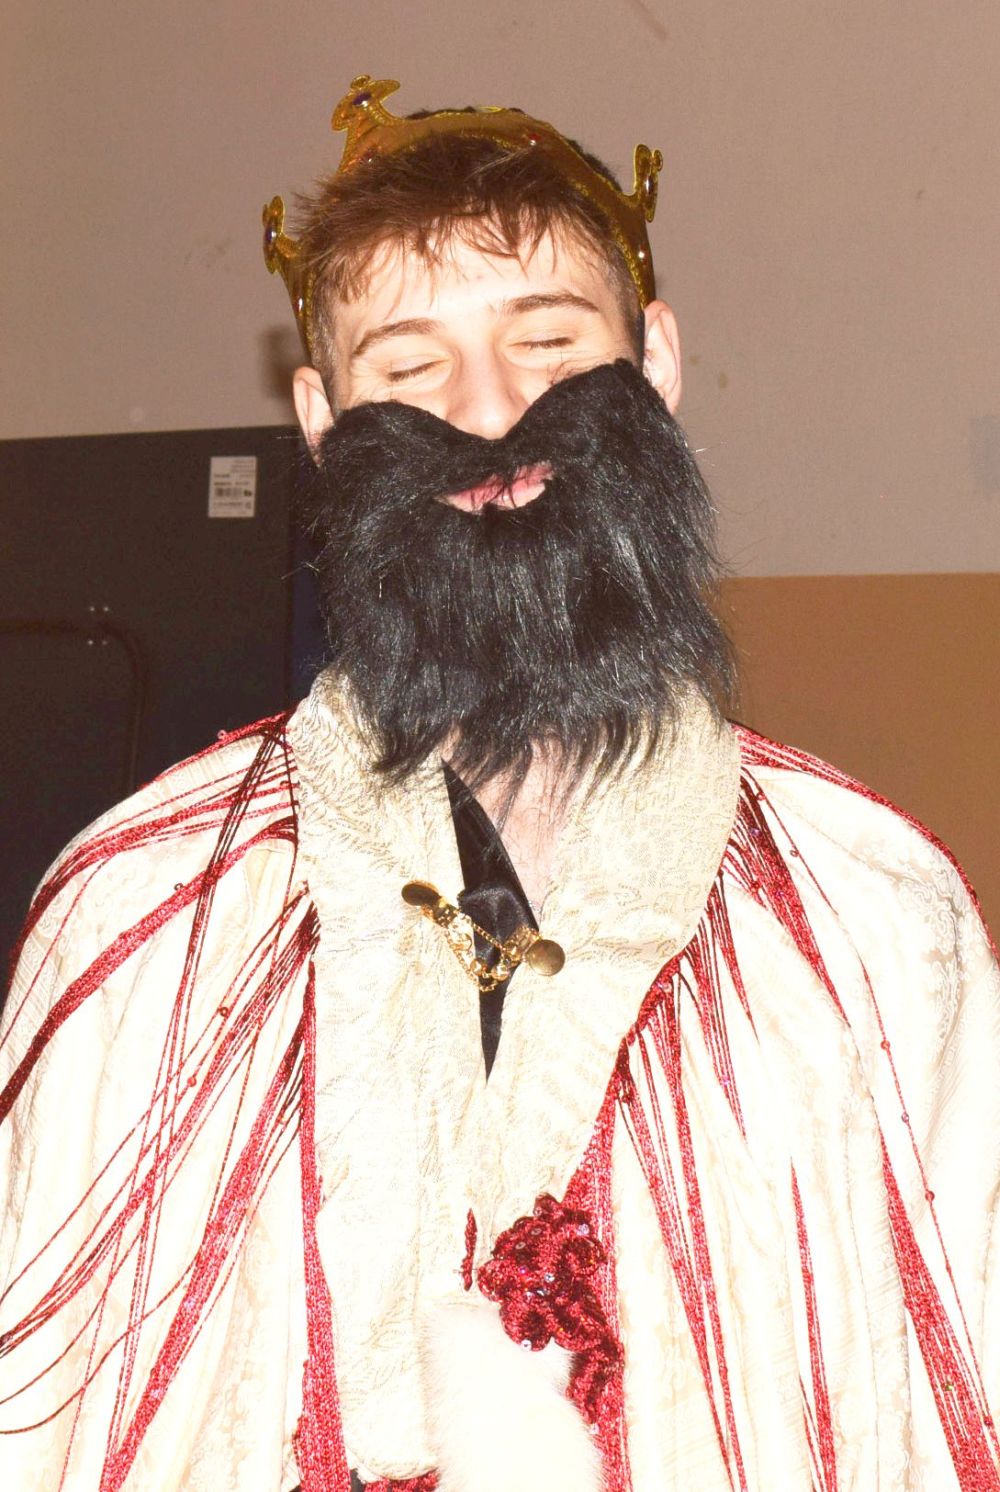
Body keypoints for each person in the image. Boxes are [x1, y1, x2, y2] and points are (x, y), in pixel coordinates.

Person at [1, 73, 998, 1492]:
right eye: (410, 369)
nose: (487, 415)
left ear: (655, 362)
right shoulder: (139, 908)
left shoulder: (875, 912)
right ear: (319, 415)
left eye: (548, 343)